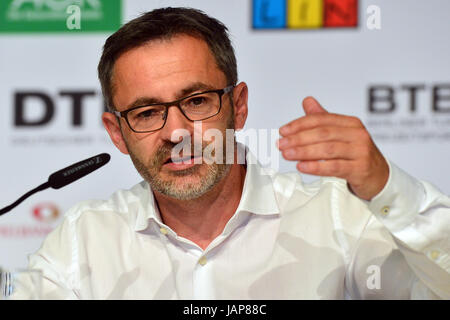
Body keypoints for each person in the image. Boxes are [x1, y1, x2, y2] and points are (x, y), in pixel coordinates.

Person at [14, 7, 450, 299]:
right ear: (116, 131)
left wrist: (388, 187)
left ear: (238, 106)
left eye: (197, 101)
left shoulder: (337, 219)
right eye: (147, 112)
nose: (176, 131)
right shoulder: (84, 239)